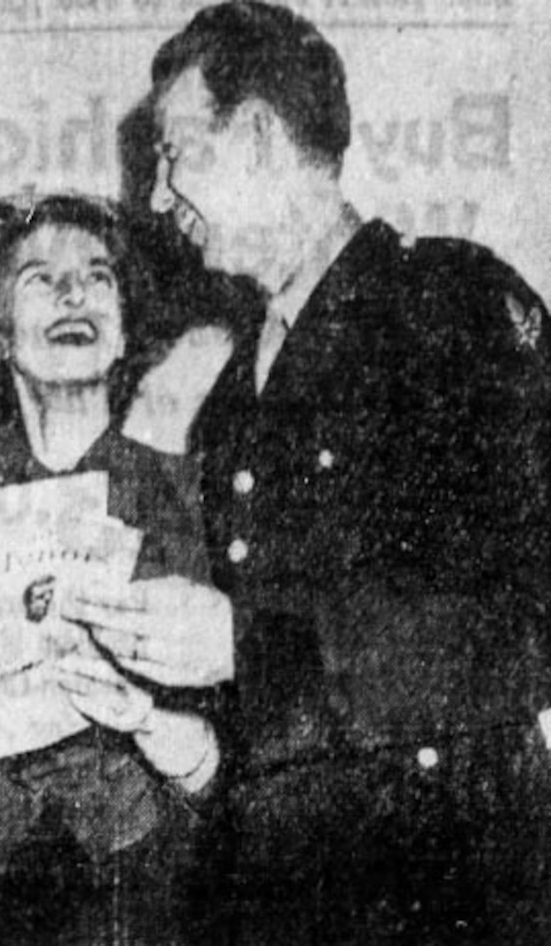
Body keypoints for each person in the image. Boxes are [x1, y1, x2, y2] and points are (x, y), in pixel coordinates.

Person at [134, 2, 551, 941]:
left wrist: (248, 649)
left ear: (256, 137)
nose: (159, 195)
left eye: (174, 154)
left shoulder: (450, 306)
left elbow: (525, 617)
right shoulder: (239, 382)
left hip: (445, 890)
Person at [0, 192, 232, 944]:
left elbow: (254, 761)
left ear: (124, 336)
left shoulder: (198, 503)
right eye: (38, 279)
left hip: (172, 904)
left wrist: (153, 724)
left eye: (98, 277)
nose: (73, 294)